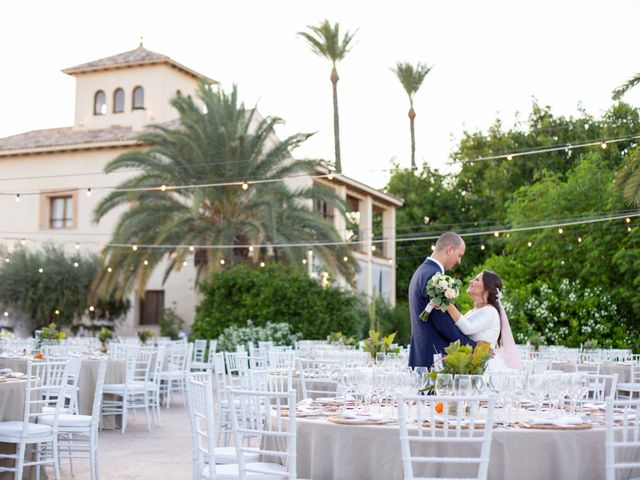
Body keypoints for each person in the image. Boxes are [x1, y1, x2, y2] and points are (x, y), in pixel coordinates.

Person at [408, 232, 475, 369]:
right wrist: (471, 346)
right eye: (459, 255)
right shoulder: (433, 277)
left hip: (422, 355)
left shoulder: (421, 271)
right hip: (435, 357)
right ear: (449, 249)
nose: (459, 261)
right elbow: (443, 324)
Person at [445, 270, 520, 371]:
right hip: (474, 365)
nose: (471, 281)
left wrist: (447, 304)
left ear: (487, 288)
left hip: (486, 368)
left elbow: (467, 328)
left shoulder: (490, 311)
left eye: (476, 280)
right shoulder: (474, 311)